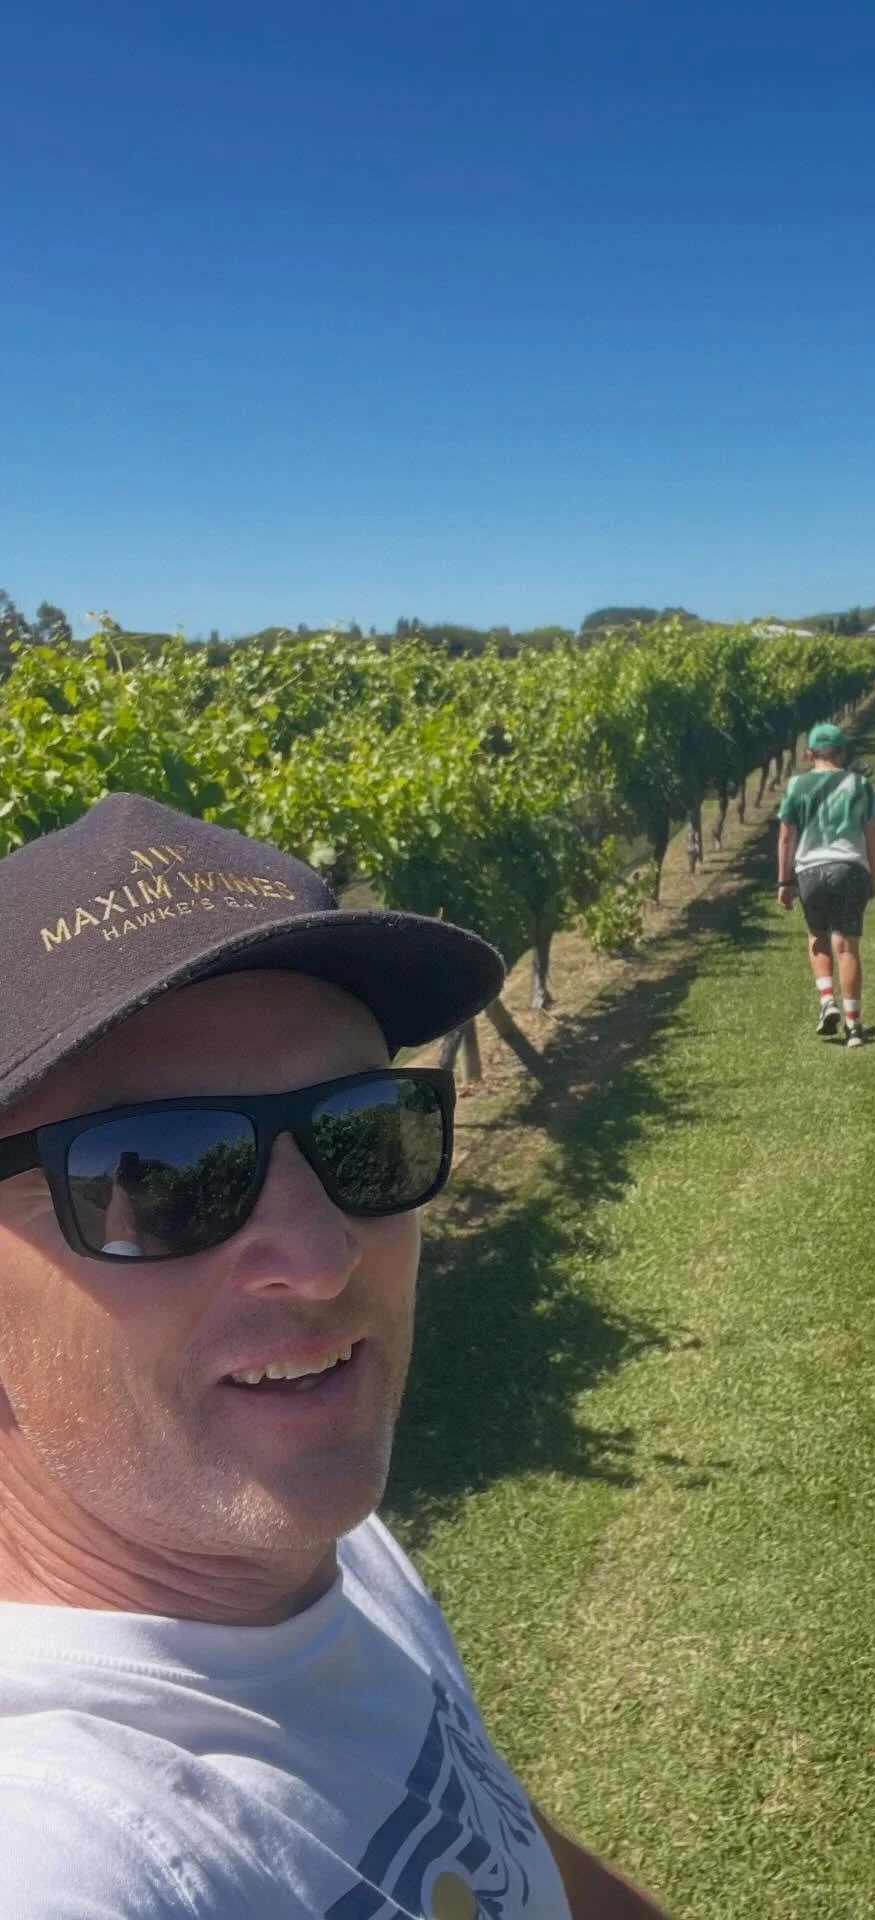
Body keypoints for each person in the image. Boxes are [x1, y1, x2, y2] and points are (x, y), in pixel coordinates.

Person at [0, 791, 670, 1919]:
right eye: (157, 1177)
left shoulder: (333, 1556)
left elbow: (505, 1848)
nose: (318, 1258)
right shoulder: (69, 1851)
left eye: (362, 1132)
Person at [776, 722, 875, 1048]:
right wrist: (871, 875)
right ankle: (854, 1026)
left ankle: (827, 1000)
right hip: (849, 867)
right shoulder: (859, 785)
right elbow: (872, 833)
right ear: (842, 752)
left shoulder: (796, 786)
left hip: (810, 870)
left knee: (817, 936)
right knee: (847, 946)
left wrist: (784, 880)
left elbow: (785, 837)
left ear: (809, 754)